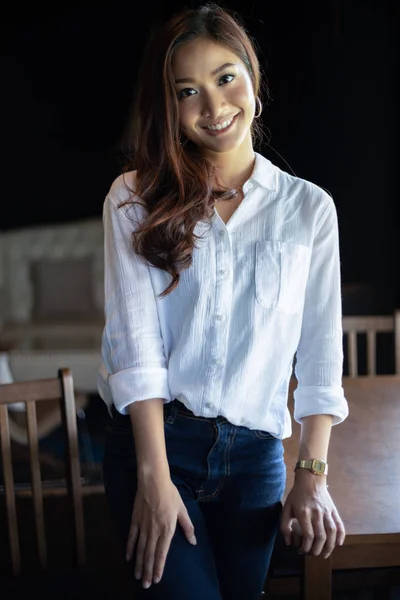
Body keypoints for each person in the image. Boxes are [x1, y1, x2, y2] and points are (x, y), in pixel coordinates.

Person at [98, 3, 349, 599]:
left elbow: (319, 354)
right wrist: (153, 478)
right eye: (188, 90)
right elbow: (137, 350)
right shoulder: (134, 198)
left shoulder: (309, 209)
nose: (214, 107)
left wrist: (312, 474)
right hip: (160, 447)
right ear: (170, 107)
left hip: (255, 461)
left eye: (225, 77)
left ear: (253, 80)